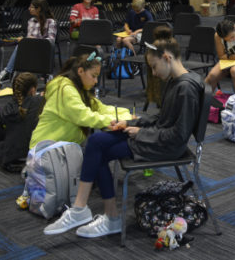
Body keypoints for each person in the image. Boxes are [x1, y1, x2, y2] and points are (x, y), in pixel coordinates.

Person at [42, 35, 206, 238]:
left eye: (154, 67)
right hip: (157, 138)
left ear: (167, 57)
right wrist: (128, 123)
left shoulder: (185, 88)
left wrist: (140, 132)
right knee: (97, 144)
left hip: (164, 145)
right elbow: (162, 118)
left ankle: (92, 213)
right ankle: (90, 212)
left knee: (96, 145)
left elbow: (177, 136)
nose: (153, 73)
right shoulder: (178, 81)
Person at [29, 52, 129, 148]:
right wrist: (116, 121)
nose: (96, 81)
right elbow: (84, 116)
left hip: (60, 148)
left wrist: (127, 116)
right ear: (80, 71)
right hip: (46, 150)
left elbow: (100, 108)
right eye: (93, 76)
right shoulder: (65, 90)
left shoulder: (79, 88)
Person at [0, 0, 57, 82]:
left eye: (32, 7)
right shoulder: (31, 21)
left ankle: (8, 71)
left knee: (21, 46)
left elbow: (51, 41)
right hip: (31, 49)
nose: (29, 9)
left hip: (43, 51)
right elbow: (29, 38)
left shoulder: (51, 22)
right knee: (21, 44)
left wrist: (35, 40)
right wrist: (25, 40)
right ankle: (8, 71)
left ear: (39, 9)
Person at [0, 72, 43, 171]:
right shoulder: (39, 101)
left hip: (10, 156)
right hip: (31, 151)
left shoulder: (8, 107)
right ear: (33, 90)